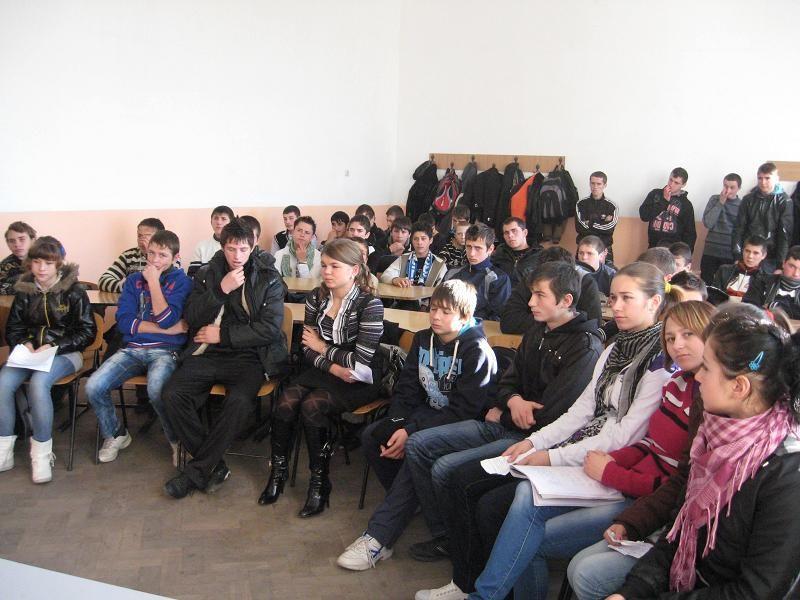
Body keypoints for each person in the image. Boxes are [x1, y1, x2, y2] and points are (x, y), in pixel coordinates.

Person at [416, 262, 674, 600]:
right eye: (613, 298)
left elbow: (624, 436)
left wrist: (549, 456)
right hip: (582, 449)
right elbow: (581, 411)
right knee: (501, 489)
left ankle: (482, 593)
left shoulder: (659, 361)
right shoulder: (616, 347)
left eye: (627, 298)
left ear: (654, 302)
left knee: (517, 499)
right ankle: (481, 590)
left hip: (614, 464)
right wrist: (533, 443)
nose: (616, 306)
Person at [403, 262, 603, 566]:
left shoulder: (585, 347)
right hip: (506, 422)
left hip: (531, 440)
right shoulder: (537, 329)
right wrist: (514, 399)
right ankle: (447, 535)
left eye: (539, 295)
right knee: (417, 444)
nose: (530, 302)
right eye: (531, 294)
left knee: (445, 469)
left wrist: (506, 412)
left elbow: (551, 417)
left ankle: (460, 546)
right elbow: (507, 380)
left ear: (566, 301)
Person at [610, 307, 800, 600]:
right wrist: (632, 592)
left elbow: (756, 591)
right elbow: (677, 532)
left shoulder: (786, 474)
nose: (697, 376)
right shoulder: (714, 433)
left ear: (739, 387)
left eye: (707, 368)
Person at [336, 280, 498, 571]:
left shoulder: (477, 351)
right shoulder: (423, 339)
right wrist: (398, 424)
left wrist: (410, 431)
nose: (435, 316)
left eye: (445, 312)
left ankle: (379, 538)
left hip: (461, 424)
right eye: (433, 309)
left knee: (414, 447)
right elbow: (406, 390)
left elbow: (464, 411)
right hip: (424, 414)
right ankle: (415, 500)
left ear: (464, 317)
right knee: (373, 436)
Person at [566, 301, 715, 600]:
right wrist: (612, 461)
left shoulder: (711, 403)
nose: (677, 345)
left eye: (688, 334)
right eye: (670, 338)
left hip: (657, 504)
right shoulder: (676, 384)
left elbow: (678, 482)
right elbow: (651, 443)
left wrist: (611, 473)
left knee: (584, 571)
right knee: (571, 558)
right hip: (646, 496)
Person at [162, 219, 288, 499]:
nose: (237, 256)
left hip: (249, 355)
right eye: (231, 249)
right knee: (171, 394)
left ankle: (196, 471)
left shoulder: (268, 276)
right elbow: (192, 316)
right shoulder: (206, 273)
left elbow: (270, 329)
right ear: (222, 246)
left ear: (253, 247)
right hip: (207, 352)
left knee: (239, 402)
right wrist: (221, 290)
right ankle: (214, 465)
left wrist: (224, 335)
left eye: (243, 249)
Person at [257, 238, 383, 516]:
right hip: (329, 371)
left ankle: (319, 482)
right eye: (324, 265)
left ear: (354, 270)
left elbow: (360, 361)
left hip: (360, 379)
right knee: (286, 402)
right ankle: (278, 472)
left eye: (334, 266)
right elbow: (306, 349)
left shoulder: (370, 304)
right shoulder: (316, 297)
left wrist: (323, 348)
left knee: (311, 406)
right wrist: (333, 365)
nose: (326, 271)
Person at [85, 231, 192, 466]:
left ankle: (176, 440)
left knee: (156, 390)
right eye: (151, 253)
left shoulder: (182, 282)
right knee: (94, 386)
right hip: (132, 349)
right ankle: (116, 434)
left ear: (176, 257)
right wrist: (167, 330)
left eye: (162, 255)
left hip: (166, 351)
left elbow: (166, 317)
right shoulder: (134, 281)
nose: (155, 260)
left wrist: (153, 282)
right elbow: (124, 322)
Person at [0, 237, 96, 483]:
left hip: (66, 354)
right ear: (30, 264)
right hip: (30, 355)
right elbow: (13, 328)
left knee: (39, 383)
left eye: (48, 263)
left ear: (58, 264)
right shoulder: (25, 290)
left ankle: (41, 453)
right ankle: (4, 449)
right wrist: (26, 343)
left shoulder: (74, 291)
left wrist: (54, 345)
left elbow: (87, 332)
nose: (42, 268)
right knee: (3, 383)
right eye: (37, 262)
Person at [500, 246, 604, 333]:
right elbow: (508, 322)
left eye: (540, 294)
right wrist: (551, 317)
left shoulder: (586, 282)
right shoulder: (533, 279)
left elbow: (594, 326)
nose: (531, 302)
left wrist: (552, 318)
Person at [732, 162, 794, 273]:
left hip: (770, 258)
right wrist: (736, 255)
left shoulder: (785, 201)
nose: (763, 182)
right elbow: (739, 228)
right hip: (748, 254)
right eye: (760, 178)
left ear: (776, 179)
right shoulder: (748, 199)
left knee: (765, 283)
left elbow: (784, 234)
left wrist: (780, 265)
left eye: (767, 178)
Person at [445, 224, 511, 321]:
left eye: (478, 248)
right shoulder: (456, 274)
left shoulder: (499, 279)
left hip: (483, 327)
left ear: (490, 249)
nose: (472, 253)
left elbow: (498, 316)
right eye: (468, 247)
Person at [98, 218, 169, 292]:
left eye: (147, 236)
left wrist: (150, 253)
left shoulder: (168, 256)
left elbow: (170, 287)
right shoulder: (128, 256)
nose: (142, 240)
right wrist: (129, 286)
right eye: (139, 236)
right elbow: (103, 281)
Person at [639, 167, 696, 252]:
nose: (671, 184)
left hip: (674, 251)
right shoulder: (655, 194)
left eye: (676, 183)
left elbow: (690, 233)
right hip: (654, 247)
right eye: (670, 180)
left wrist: (686, 255)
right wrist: (664, 201)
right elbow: (644, 216)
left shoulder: (686, 204)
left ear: (683, 185)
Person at [700, 173, 742, 283]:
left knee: (725, 285)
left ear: (739, 188)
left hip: (729, 252)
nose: (728, 190)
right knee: (706, 284)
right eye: (725, 186)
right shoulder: (714, 199)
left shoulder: (742, 205)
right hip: (711, 250)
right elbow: (708, 223)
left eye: (732, 187)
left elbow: (740, 232)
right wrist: (720, 203)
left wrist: (738, 256)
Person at [381, 222, 447, 289]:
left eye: (423, 239)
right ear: (412, 241)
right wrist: (395, 280)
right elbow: (385, 276)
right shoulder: (404, 258)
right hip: (405, 295)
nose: (419, 242)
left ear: (431, 240)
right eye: (416, 239)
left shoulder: (439, 264)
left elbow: (443, 288)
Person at [743, 244, 800, 318]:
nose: (796, 273)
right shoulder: (762, 281)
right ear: (783, 264)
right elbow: (747, 307)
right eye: (792, 266)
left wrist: (774, 306)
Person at [575, 171, 619, 264]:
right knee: (580, 272)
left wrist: (590, 223)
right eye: (592, 183)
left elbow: (609, 229)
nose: (595, 187)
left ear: (605, 185)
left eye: (599, 184)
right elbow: (579, 228)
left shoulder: (612, 206)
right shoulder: (581, 204)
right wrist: (601, 222)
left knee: (608, 272)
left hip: (604, 248)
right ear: (589, 183)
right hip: (584, 249)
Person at [491, 217, 540, 286]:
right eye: (506, 233)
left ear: (525, 233)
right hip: (502, 291)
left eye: (514, 231)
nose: (510, 235)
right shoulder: (500, 252)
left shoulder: (539, 254)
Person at [188, 206, 235, 277]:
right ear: (211, 222)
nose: (219, 222)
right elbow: (192, 275)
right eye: (216, 218)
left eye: (223, 219)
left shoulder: (238, 246)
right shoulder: (201, 246)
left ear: (231, 222)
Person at [0, 221, 36, 295]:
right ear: (7, 244)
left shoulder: (46, 258)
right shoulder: (5, 264)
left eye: (22, 239)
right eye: (12, 241)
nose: (17, 244)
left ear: (32, 240)